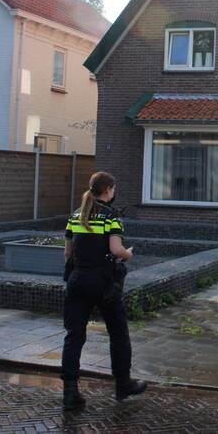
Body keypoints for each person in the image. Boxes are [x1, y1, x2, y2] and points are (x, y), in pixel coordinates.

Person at [60, 171, 146, 410]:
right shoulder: (111, 217)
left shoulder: (75, 215)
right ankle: (123, 384)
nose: (114, 192)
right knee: (118, 333)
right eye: (114, 188)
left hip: (77, 281)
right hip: (103, 282)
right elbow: (116, 250)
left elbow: (67, 253)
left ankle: (70, 393)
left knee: (74, 335)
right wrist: (128, 254)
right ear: (108, 189)